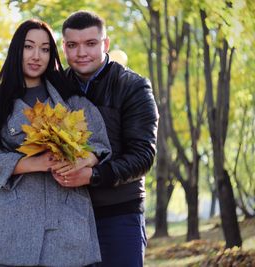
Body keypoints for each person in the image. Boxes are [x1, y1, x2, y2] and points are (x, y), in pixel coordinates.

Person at [0, 19, 111, 266]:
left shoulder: (72, 100)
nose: (36, 56)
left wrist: (83, 161)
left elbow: (101, 146)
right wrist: (36, 163)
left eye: (45, 49)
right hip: (16, 222)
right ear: (17, 50)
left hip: (69, 220)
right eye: (29, 47)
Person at [57, 11, 159, 267]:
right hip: (66, 215)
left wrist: (94, 175)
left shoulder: (133, 87)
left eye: (90, 43)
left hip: (119, 213)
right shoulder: (55, 89)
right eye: (72, 45)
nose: (81, 52)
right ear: (64, 47)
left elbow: (143, 156)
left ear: (106, 44)